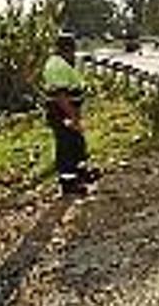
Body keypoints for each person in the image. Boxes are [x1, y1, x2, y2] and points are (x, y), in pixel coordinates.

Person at [42, 33, 100, 196]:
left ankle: (81, 173)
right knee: (67, 146)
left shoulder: (61, 63)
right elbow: (61, 97)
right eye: (72, 49)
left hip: (66, 111)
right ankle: (68, 184)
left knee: (77, 143)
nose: (73, 54)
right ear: (66, 49)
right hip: (62, 113)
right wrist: (73, 117)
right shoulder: (57, 66)